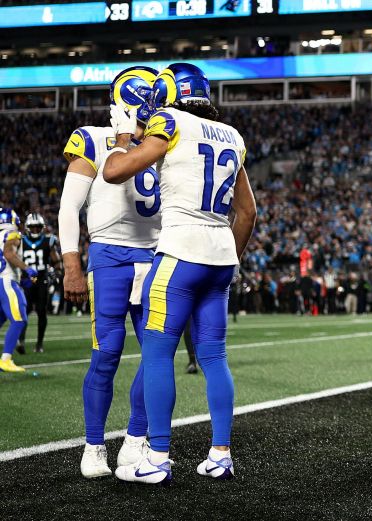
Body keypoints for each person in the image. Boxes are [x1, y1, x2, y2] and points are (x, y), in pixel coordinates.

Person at [103, 62, 256, 485]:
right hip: (221, 257)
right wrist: (231, 258)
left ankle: (157, 456)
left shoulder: (169, 121)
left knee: (157, 353)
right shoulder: (233, 135)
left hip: (180, 252)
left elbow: (115, 171)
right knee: (214, 356)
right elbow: (247, 212)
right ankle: (220, 454)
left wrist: (120, 138)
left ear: (172, 91)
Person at [58, 66, 160, 478]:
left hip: (156, 254)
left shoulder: (162, 140)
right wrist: (71, 264)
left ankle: (136, 439)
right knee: (106, 354)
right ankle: (94, 445)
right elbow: (69, 207)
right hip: (110, 255)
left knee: (157, 355)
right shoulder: (92, 137)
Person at [19, 213, 63, 353]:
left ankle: (39, 344)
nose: (36, 230)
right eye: (33, 227)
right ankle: (21, 340)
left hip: (41, 280)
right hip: (25, 280)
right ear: (27, 228)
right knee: (23, 311)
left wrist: (56, 272)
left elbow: (56, 262)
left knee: (41, 311)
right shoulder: (20, 240)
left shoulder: (48, 241)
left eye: (38, 227)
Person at [0, 209, 36, 373]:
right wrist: (27, 269)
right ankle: (6, 359)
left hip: (2, 280)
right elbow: (8, 253)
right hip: (7, 281)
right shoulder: (12, 233)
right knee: (19, 319)